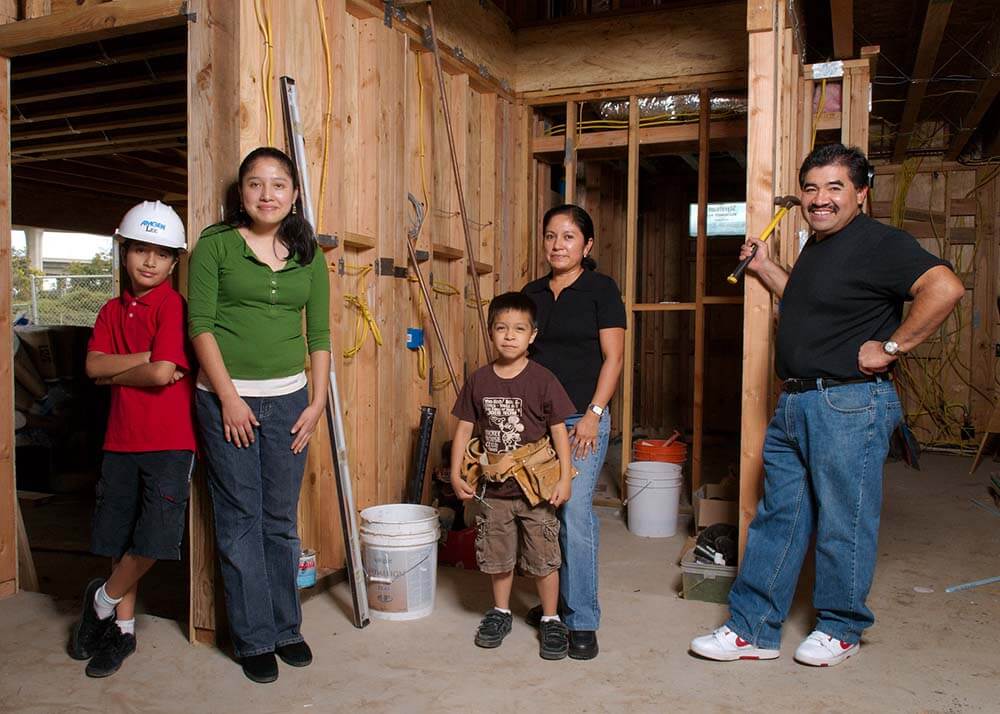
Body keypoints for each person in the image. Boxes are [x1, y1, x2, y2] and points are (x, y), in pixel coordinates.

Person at [691, 143, 964, 666]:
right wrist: (767, 269)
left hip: (849, 403)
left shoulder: (880, 243)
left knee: (844, 519)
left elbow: (945, 287)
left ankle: (841, 627)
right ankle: (753, 629)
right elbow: (808, 303)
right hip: (796, 401)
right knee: (779, 519)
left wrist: (892, 347)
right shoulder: (818, 246)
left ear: (861, 193)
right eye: (812, 188)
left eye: (835, 188)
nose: (820, 199)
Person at [187, 147, 331, 684]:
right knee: (240, 519)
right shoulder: (216, 246)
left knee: (278, 518)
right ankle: (252, 639)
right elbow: (200, 325)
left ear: (293, 194)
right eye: (255, 184)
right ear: (241, 193)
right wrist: (227, 397)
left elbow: (319, 333)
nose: (266, 194)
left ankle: (285, 628)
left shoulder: (307, 251)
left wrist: (316, 403)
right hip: (228, 401)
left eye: (277, 184)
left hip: (292, 400)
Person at [70, 200, 195, 678]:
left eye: (161, 254)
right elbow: (90, 366)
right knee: (122, 539)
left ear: (174, 261)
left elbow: (163, 372)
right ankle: (122, 633)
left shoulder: (173, 305)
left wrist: (117, 372)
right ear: (124, 251)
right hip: (120, 441)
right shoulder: (108, 310)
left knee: (155, 539)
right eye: (140, 250)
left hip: (168, 441)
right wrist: (139, 360)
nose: (149, 261)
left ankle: (101, 600)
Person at [521, 204, 626, 660]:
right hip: (540, 421)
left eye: (567, 237)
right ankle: (555, 607)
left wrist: (594, 413)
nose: (557, 245)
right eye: (550, 236)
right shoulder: (532, 292)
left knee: (576, 513)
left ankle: (582, 618)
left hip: (582, 420)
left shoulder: (601, 289)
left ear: (586, 245)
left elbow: (614, 358)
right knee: (543, 513)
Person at [450, 292, 577, 660]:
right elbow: (462, 430)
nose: (509, 336)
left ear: (532, 336)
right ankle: (501, 612)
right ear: (491, 332)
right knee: (497, 554)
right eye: (502, 328)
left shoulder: (543, 380)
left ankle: (551, 619)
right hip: (494, 490)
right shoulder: (479, 381)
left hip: (535, 490)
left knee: (544, 557)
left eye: (519, 329)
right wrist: (459, 472)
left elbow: (558, 432)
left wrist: (565, 478)